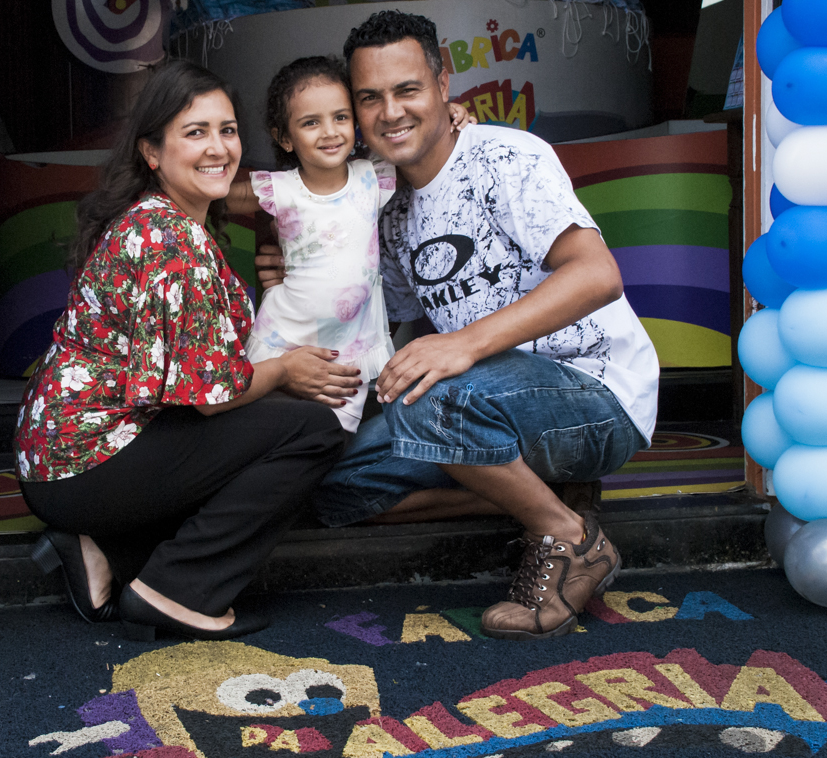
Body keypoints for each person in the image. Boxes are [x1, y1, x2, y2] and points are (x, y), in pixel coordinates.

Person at [257, 11, 660, 641]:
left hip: (594, 393)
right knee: (324, 484)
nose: (391, 112)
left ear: (444, 85)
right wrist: (290, 263)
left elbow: (596, 275)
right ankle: (549, 497)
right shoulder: (388, 210)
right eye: (370, 98)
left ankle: (570, 541)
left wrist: (458, 346)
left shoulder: (504, 156)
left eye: (407, 89)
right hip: (477, 405)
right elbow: (363, 312)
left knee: (436, 387)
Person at [14, 60, 358, 642]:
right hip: (85, 465)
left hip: (62, 460)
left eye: (227, 130)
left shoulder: (160, 219)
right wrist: (282, 371)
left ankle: (106, 550)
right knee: (312, 429)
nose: (218, 147)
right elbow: (210, 401)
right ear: (152, 152)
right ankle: (178, 591)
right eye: (195, 132)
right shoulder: (173, 242)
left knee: (261, 434)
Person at [225, 56, 473, 432]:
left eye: (340, 117)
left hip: (352, 345)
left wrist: (449, 114)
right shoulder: (279, 188)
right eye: (311, 122)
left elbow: (426, 145)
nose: (329, 132)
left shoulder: (373, 176)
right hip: (284, 340)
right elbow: (212, 194)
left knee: (332, 446)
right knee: (273, 434)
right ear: (284, 137)